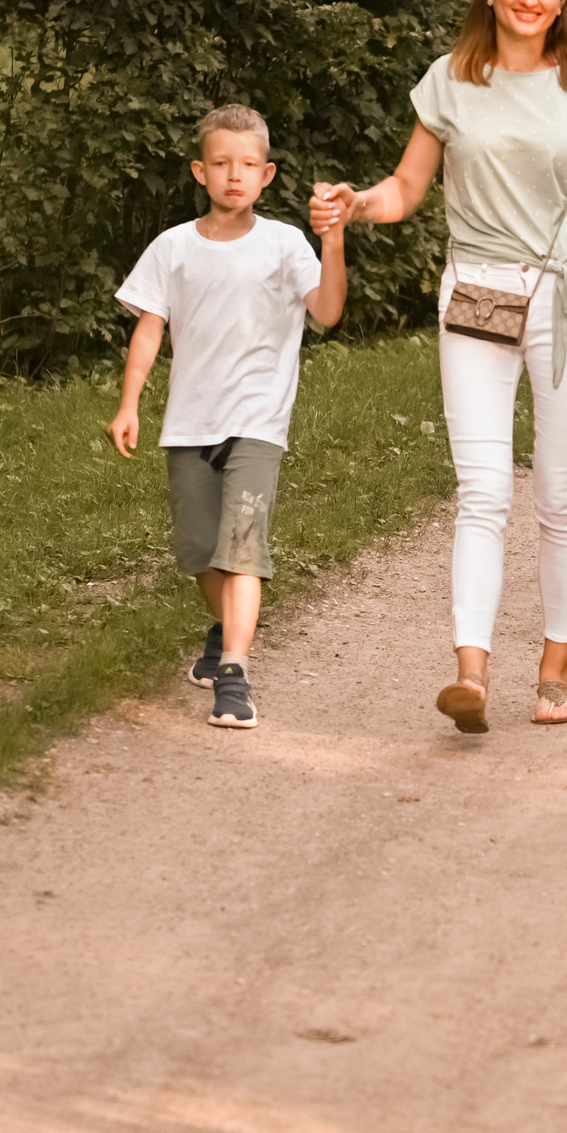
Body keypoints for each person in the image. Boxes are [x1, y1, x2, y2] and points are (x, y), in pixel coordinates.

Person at [310, 0, 567, 733]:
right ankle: (471, 673)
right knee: (483, 489)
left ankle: (556, 669)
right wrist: (358, 205)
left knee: (562, 496)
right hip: (478, 292)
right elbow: (406, 187)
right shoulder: (449, 81)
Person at [109, 104, 348, 730]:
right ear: (200, 170)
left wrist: (334, 240)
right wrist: (130, 403)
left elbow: (327, 311)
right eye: (220, 164)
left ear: (266, 175)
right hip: (189, 422)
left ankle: (235, 673)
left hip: (257, 421)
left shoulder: (284, 243)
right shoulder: (173, 247)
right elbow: (149, 329)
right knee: (199, 554)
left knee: (242, 550)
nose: (233, 176)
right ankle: (223, 628)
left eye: (247, 166)